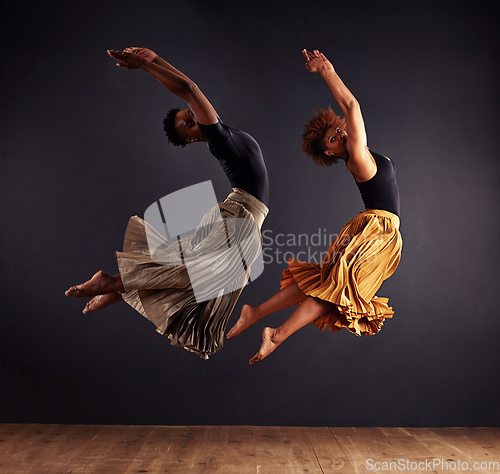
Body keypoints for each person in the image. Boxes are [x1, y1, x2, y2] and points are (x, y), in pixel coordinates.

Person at [65, 47, 269, 359]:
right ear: (191, 139)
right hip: (238, 218)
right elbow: (189, 90)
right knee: (196, 276)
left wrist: (156, 59)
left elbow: (189, 87)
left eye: (188, 116)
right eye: (188, 123)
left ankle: (117, 287)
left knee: (199, 277)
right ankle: (112, 283)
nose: (193, 117)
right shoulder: (219, 140)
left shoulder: (221, 130)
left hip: (244, 219)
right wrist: (146, 65)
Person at [227, 49, 402, 364]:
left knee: (328, 282)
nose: (338, 135)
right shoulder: (358, 157)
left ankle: (256, 313)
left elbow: (348, 115)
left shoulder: (358, 149)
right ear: (333, 153)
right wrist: (326, 70)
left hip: (372, 229)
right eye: (332, 141)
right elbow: (351, 105)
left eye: (336, 131)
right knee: (339, 292)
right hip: (377, 230)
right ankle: (276, 334)